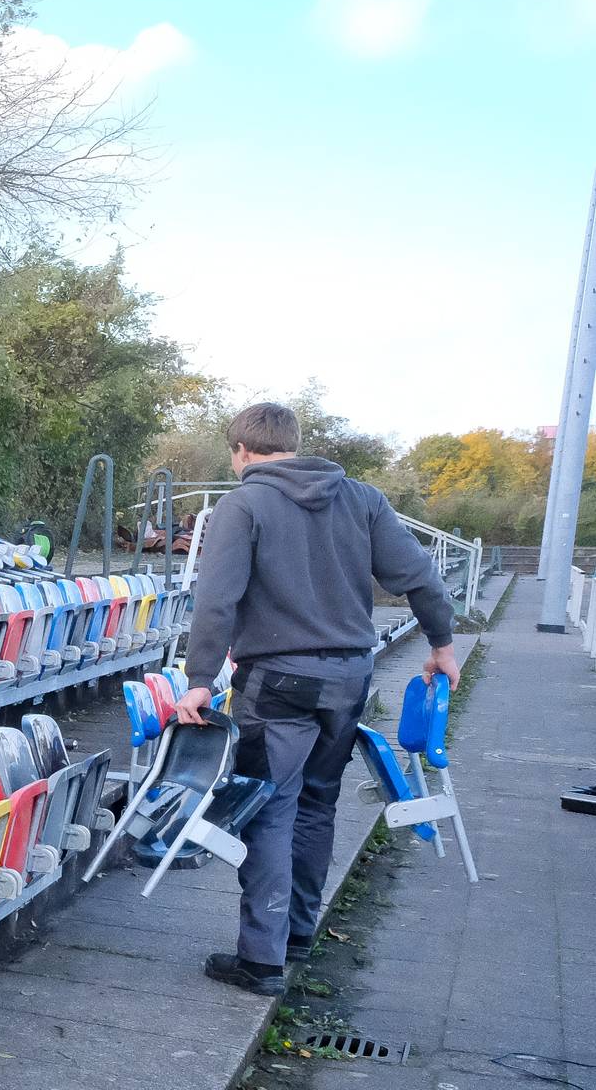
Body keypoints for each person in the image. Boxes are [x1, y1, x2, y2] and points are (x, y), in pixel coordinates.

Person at [174, 402, 459, 996]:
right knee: (318, 802)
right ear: (296, 445)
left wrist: (200, 676)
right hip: (348, 677)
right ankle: (299, 933)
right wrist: (441, 642)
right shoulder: (362, 499)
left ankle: (260, 959)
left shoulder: (243, 503)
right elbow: (420, 575)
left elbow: (216, 600)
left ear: (241, 453)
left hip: (276, 681)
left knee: (271, 806)